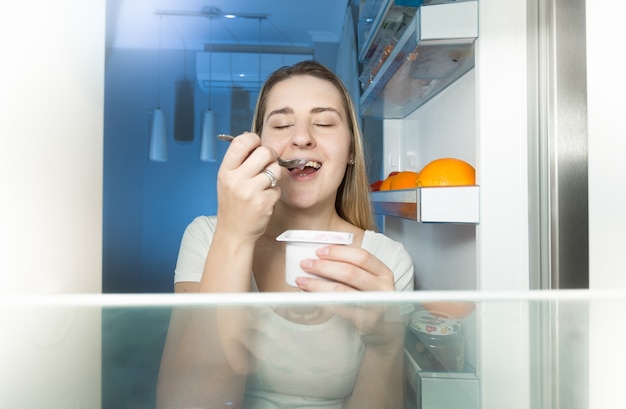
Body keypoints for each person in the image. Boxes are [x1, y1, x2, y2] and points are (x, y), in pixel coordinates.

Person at [156, 60, 414, 409]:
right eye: (281, 124)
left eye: (323, 122)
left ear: (351, 150)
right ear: (259, 148)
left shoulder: (386, 262)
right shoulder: (206, 237)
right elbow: (188, 402)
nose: (302, 137)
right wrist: (234, 235)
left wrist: (386, 343)